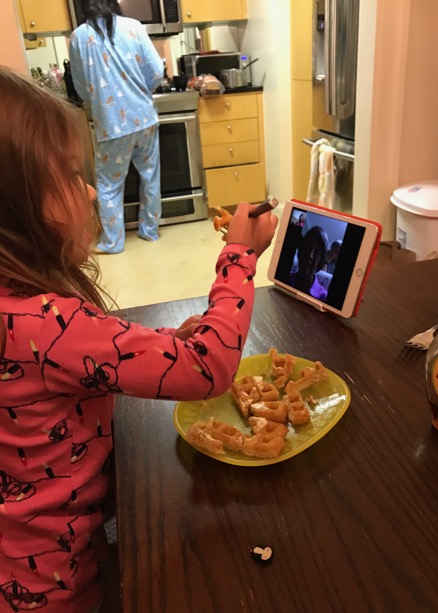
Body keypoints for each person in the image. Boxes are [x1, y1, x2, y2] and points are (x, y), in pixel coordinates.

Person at [0, 67, 277, 612]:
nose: (88, 190)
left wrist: (166, 340)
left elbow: (85, 357)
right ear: (20, 206)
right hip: (52, 579)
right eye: (73, 175)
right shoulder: (48, 322)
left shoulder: (19, 312)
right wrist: (240, 258)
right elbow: (209, 370)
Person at [69, 0, 164, 254]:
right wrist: (140, 89)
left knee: (109, 184)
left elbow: (80, 87)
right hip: (144, 117)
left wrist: (98, 102)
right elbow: (156, 71)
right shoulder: (134, 26)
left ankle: (113, 242)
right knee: (150, 175)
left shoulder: (79, 36)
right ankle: (150, 231)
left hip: (111, 123)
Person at [293, 226, 328, 300]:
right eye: (307, 248)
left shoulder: (323, 296)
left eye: (316, 252)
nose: (310, 256)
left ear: (320, 261)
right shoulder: (286, 277)